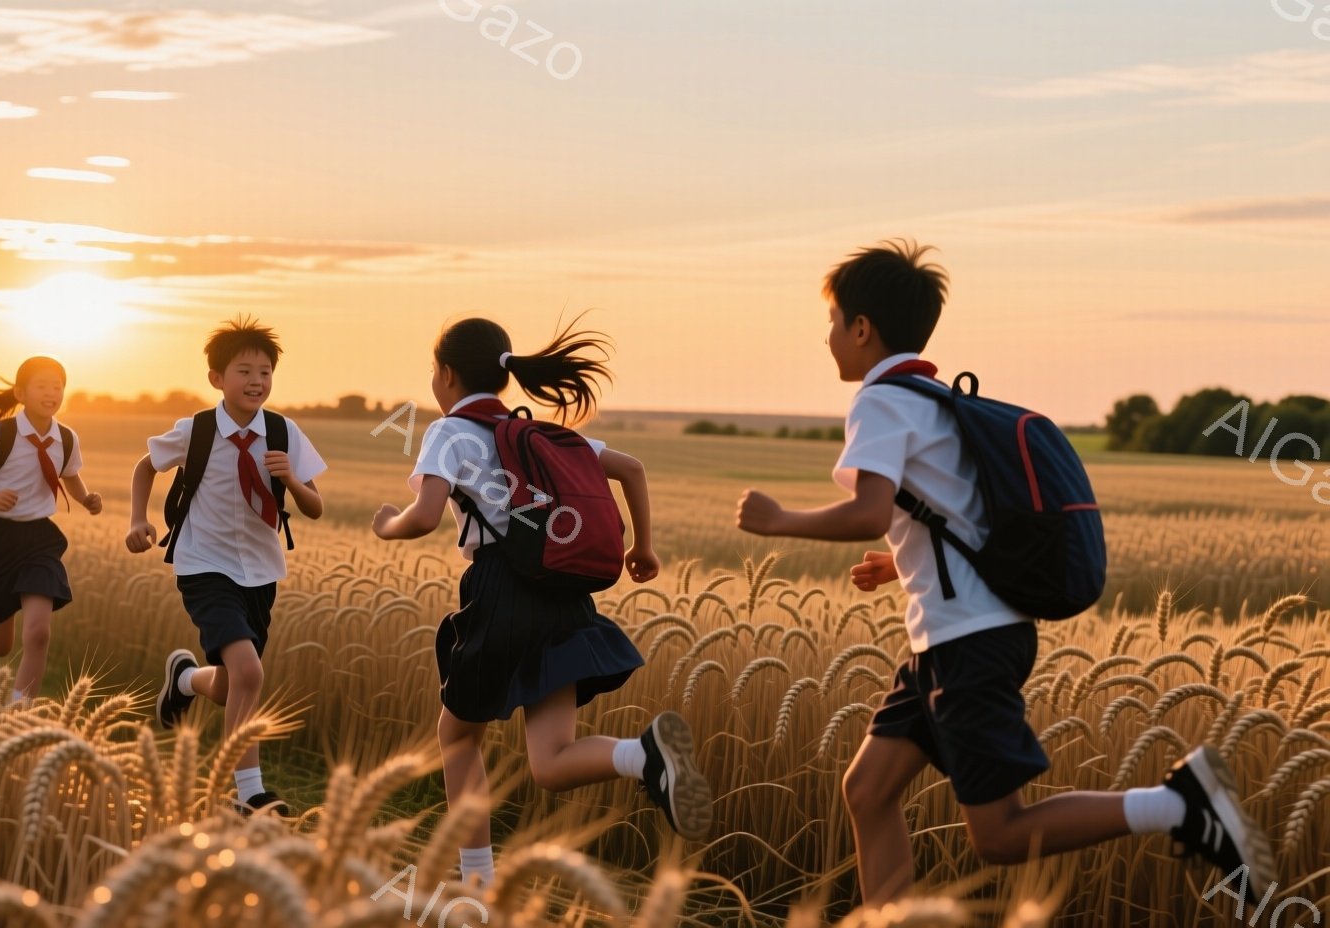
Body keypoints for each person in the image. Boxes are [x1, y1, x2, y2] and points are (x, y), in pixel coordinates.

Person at [735, 239, 1276, 905]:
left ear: (863, 328)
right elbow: (953, 515)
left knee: (998, 833)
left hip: (967, 643)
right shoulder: (934, 399)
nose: (828, 338)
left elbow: (869, 511)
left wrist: (778, 519)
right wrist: (901, 562)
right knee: (867, 791)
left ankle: (1179, 806)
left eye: (833, 322)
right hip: (951, 640)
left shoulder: (880, 402)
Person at [372, 316, 713, 886]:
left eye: (433, 371)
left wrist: (387, 525)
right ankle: (642, 755)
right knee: (551, 761)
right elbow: (631, 469)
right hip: (563, 597)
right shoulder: (542, 435)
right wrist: (643, 546)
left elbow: (426, 515)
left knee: (457, 736)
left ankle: (476, 880)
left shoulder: (449, 433)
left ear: (447, 375)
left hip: (501, 594)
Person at [128, 316, 326, 818]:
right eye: (244, 371)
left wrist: (292, 480)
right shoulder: (196, 430)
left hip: (260, 571)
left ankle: (185, 680)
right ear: (217, 378)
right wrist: (137, 519)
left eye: (265, 372)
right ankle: (246, 792)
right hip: (203, 565)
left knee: (230, 683)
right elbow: (145, 466)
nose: (256, 381)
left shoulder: (283, 432)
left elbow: (315, 506)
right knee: (249, 671)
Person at [0, 356, 102, 704]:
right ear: (20, 393)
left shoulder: (66, 438)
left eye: (57, 387)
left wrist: (86, 499)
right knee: (0, 646)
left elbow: (70, 476)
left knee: (38, 633)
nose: (51, 393)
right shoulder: (0, 434)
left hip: (39, 542)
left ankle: (19, 713)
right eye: (42, 386)